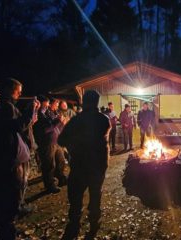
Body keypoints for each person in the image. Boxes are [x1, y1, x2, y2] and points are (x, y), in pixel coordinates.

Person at [58, 90, 110, 240]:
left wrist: (74, 144)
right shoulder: (103, 119)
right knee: (95, 194)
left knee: (76, 197)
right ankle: (94, 221)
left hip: (79, 165)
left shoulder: (76, 121)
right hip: (97, 166)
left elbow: (61, 140)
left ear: (84, 102)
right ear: (97, 102)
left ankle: (74, 223)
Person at [0, 78, 37, 239]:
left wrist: (30, 116)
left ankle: (12, 216)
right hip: (11, 160)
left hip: (16, 157)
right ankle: (6, 230)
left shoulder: (7, 107)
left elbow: (21, 127)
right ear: (8, 90)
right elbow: (18, 125)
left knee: (17, 189)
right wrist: (31, 110)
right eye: (17, 91)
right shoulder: (4, 108)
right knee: (10, 193)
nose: (20, 94)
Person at [34, 96, 68, 193]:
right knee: (49, 165)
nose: (48, 105)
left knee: (60, 160)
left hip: (56, 141)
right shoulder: (39, 115)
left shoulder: (47, 113)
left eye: (48, 103)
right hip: (47, 143)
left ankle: (61, 178)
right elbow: (46, 129)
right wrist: (58, 121)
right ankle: (49, 185)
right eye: (46, 104)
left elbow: (55, 127)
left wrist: (62, 123)